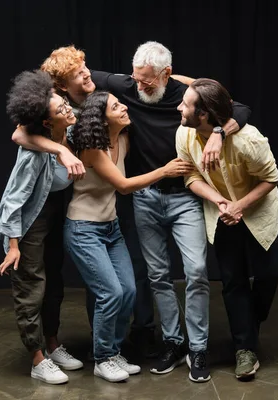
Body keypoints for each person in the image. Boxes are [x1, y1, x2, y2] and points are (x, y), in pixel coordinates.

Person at [90, 41, 251, 383]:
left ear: (165, 74)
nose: (139, 87)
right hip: (146, 197)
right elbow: (79, 75)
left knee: (195, 271)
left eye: (147, 80)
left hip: (186, 198)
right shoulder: (129, 86)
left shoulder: (189, 93)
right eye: (136, 79)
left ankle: (198, 349)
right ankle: (174, 343)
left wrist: (219, 133)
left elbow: (241, 109)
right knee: (157, 275)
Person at [12, 46, 158, 358]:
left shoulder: (105, 93)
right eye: (78, 72)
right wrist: (61, 150)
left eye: (84, 66)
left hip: (86, 198)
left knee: (88, 280)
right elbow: (19, 136)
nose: (87, 73)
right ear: (62, 85)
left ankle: (85, 346)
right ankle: (43, 351)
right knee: (40, 275)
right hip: (48, 200)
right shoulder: (56, 104)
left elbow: (161, 82)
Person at [63, 91, 194, 382]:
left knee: (129, 291)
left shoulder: (122, 139)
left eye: (121, 103)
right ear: (101, 117)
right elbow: (123, 185)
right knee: (110, 293)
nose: (123, 106)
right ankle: (102, 358)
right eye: (115, 106)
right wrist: (165, 170)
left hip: (110, 228)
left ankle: (113, 350)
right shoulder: (92, 148)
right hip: (84, 229)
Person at [175, 78, 278, 381]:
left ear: (205, 115)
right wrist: (220, 201)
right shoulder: (184, 135)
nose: (179, 107)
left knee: (268, 274)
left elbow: (271, 178)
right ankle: (244, 349)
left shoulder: (250, 140)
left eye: (185, 104)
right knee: (234, 281)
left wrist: (241, 206)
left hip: (259, 213)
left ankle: (249, 323)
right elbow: (191, 176)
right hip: (221, 214)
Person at [0, 70, 84, 385]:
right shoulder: (33, 155)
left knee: (55, 283)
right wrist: (14, 245)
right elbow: (14, 202)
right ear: (47, 122)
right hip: (29, 221)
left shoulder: (69, 132)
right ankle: (37, 358)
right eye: (61, 110)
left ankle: (53, 344)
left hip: (56, 212)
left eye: (65, 104)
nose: (69, 110)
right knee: (32, 287)